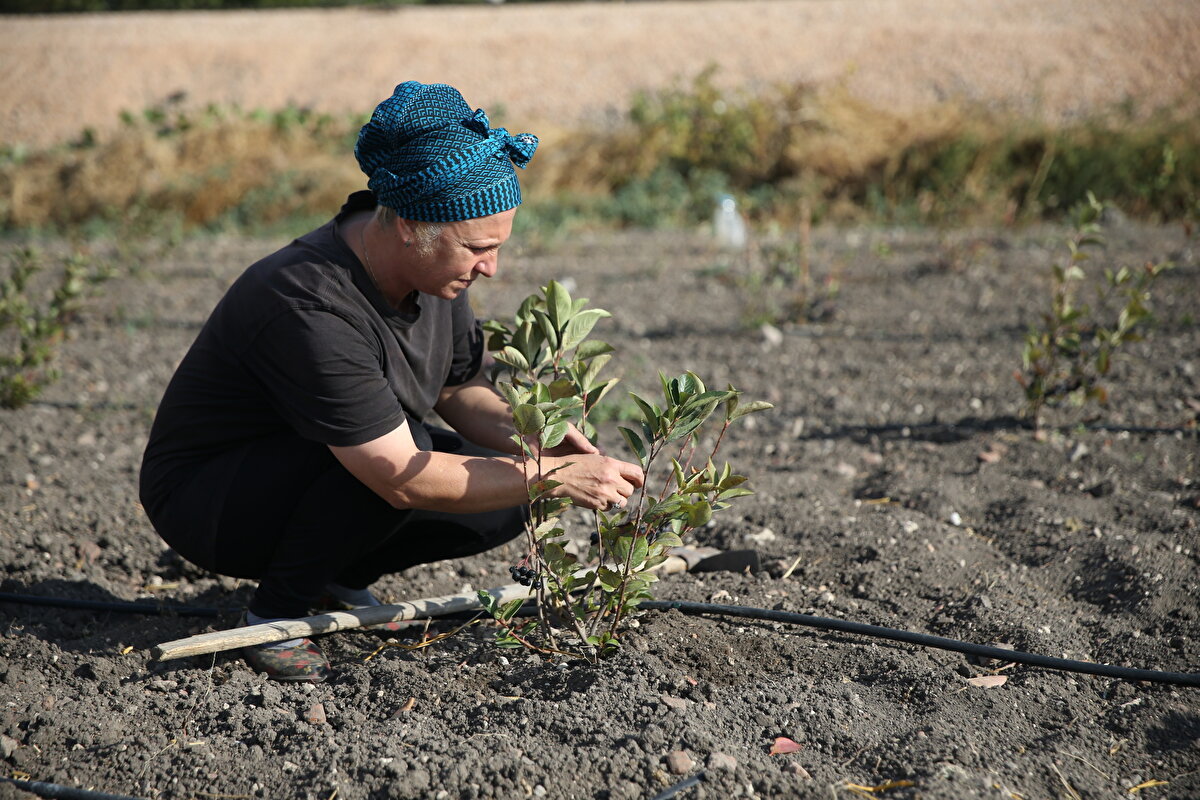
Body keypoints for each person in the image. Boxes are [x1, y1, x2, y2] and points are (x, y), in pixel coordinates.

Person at [139, 81, 645, 682]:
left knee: (505, 492)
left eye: (498, 247)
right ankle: (273, 614)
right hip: (211, 499)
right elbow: (396, 475)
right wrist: (552, 476)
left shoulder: (433, 273)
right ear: (409, 225)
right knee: (415, 458)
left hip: (318, 466)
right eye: (478, 249)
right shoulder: (309, 301)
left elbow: (459, 390)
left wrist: (539, 440)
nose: (491, 268)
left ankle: (337, 577)